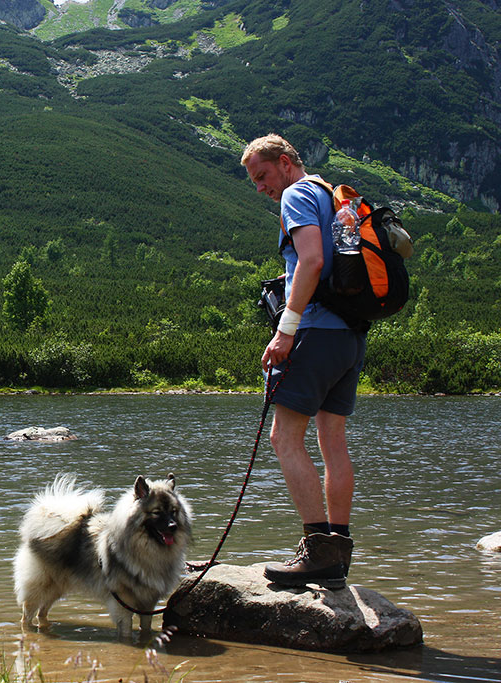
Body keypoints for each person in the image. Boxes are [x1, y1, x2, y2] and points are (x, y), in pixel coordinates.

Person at [240, 134, 366, 589]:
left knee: (283, 438)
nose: (260, 188)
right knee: (332, 440)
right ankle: (338, 551)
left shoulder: (296, 194)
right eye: (255, 181)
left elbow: (311, 261)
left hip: (313, 334)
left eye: (263, 175)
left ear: (287, 162)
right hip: (349, 338)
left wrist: (285, 329)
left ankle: (317, 553)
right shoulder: (330, 196)